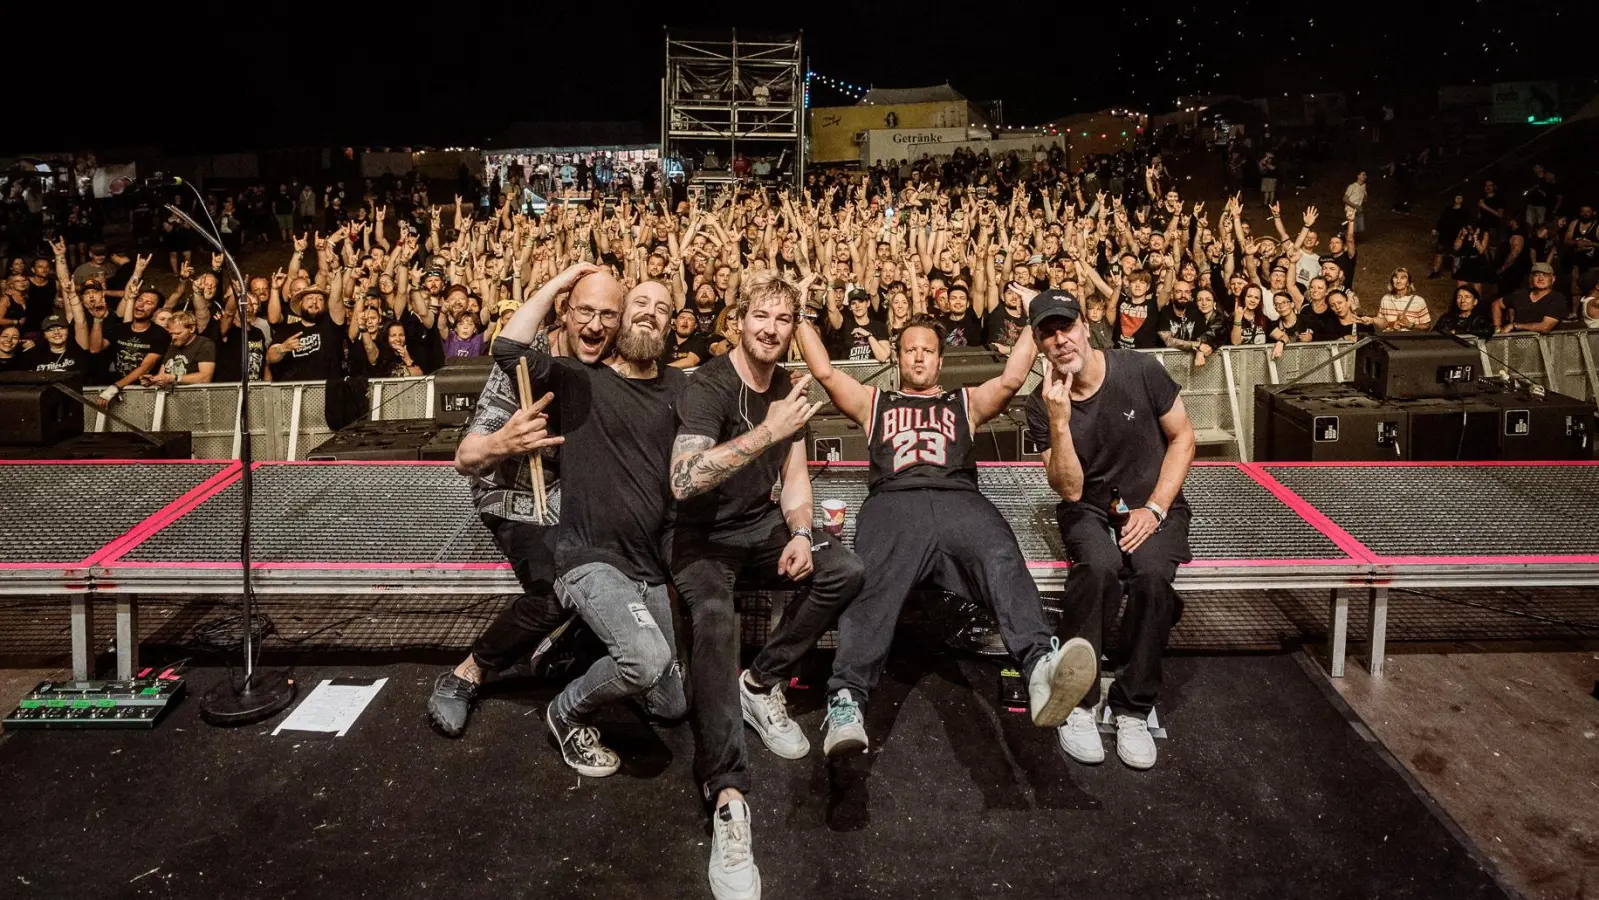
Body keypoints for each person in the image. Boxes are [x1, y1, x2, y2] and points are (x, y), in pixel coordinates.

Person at [794, 295, 1097, 760]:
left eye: (927, 350)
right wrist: (798, 316)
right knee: (871, 585)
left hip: (959, 499)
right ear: (897, 359)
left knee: (1002, 559)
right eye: (910, 349)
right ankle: (847, 701)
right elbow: (827, 373)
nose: (918, 356)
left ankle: (1039, 670)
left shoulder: (965, 403)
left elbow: (1014, 376)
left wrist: (1030, 316)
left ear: (940, 358)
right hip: (894, 503)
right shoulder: (875, 402)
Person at [668, 272, 866, 900]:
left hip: (760, 529)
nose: (771, 330)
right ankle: (729, 797)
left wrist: (803, 532)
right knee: (717, 625)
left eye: (783, 320)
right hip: (700, 541)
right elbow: (684, 479)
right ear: (739, 319)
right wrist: (768, 432)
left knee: (846, 570)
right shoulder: (709, 386)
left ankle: (760, 683)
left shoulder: (788, 385)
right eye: (761, 316)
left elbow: (797, 477)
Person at [491, 267, 688, 778]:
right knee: (643, 661)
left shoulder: (679, 388)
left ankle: (589, 644)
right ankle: (566, 710)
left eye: (661, 307)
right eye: (639, 302)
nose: (648, 311)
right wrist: (559, 285)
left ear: (671, 325)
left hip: (649, 568)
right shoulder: (580, 378)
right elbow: (507, 350)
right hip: (590, 558)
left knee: (671, 705)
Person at [427, 263, 624, 737]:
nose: (595, 325)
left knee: (633, 560)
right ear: (563, 310)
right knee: (558, 590)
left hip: (573, 492)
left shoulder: (613, 361)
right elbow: (466, 457)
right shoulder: (526, 364)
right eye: (584, 312)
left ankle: (562, 649)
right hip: (514, 490)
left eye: (607, 316)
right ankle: (467, 672)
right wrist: (505, 443)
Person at [1024, 291, 1196, 770]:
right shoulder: (1042, 405)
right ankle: (1077, 704)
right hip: (1093, 508)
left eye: (1067, 328)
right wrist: (1059, 423)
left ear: (1086, 326)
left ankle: (1132, 708)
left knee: (1152, 577)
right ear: (1038, 343)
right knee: (1097, 569)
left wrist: (1157, 508)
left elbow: (1184, 437)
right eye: (1048, 333)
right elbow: (1071, 490)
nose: (1061, 341)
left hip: (1152, 504)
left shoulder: (1140, 370)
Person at [1494, 262, 1566, 335]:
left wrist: (1515, 326)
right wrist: (1497, 329)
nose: (1541, 278)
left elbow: (1545, 327)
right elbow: (1496, 304)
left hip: (1545, 343)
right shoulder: (1520, 294)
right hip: (1517, 342)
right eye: (1537, 275)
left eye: (1545, 275)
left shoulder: (1558, 299)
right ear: (1531, 278)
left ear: (1553, 279)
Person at [1374, 268, 1431, 332]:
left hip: (1409, 340)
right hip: (1388, 339)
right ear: (1392, 281)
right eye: (1395, 277)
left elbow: (1427, 327)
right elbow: (1380, 324)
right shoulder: (1386, 299)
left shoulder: (1418, 301)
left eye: (1403, 278)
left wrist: (1409, 324)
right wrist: (1390, 324)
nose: (1398, 281)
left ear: (1408, 283)